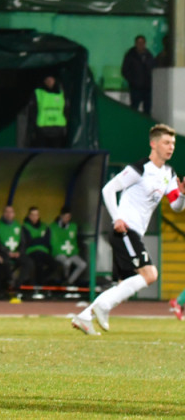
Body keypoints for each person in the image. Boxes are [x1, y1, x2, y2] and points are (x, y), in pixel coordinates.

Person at [73, 124, 185, 335]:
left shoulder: (169, 173)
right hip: (124, 230)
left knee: (124, 283)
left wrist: (182, 194)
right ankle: (102, 307)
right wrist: (117, 219)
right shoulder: (139, 168)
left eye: (173, 143)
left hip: (134, 234)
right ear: (153, 144)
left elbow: (175, 206)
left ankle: (85, 316)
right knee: (150, 274)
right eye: (166, 142)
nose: (171, 147)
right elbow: (108, 189)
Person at [0, 205, 31, 301]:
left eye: (11, 212)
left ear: (14, 214)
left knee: (29, 263)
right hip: (4, 253)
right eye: (7, 212)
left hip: (16, 253)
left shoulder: (18, 226)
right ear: (3, 214)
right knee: (2, 263)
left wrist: (19, 252)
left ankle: (17, 286)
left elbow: (23, 242)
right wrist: (8, 252)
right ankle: (4, 290)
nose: (9, 214)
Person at [28, 75, 67, 148]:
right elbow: (32, 111)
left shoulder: (61, 93)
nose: (49, 82)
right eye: (47, 79)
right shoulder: (38, 93)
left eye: (51, 79)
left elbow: (65, 110)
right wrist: (35, 127)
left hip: (58, 130)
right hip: (43, 130)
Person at [50, 207, 87, 286]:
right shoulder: (53, 227)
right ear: (61, 216)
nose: (67, 219)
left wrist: (74, 252)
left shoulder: (73, 226)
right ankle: (64, 278)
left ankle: (69, 282)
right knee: (67, 262)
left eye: (69, 217)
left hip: (71, 252)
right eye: (66, 217)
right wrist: (64, 253)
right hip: (58, 253)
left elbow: (74, 242)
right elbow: (54, 243)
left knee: (82, 264)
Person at [21, 207, 58, 286]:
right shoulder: (25, 227)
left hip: (44, 251)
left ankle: (40, 280)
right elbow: (28, 242)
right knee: (38, 264)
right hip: (31, 251)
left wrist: (36, 240)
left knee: (54, 265)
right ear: (29, 216)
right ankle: (39, 284)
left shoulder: (45, 226)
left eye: (36, 215)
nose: (35, 217)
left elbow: (47, 241)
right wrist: (41, 239)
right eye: (32, 215)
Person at [122, 35, 156, 114]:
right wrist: (132, 81)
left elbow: (153, 69)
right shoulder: (130, 55)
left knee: (147, 110)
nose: (140, 44)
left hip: (147, 88)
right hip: (135, 88)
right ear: (135, 43)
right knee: (134, 109)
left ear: (145, 44)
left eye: (142, 43)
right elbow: (124, 70)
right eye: (138, 42)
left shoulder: (149, 55)